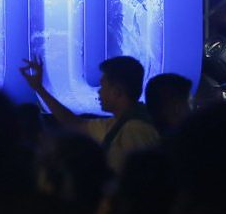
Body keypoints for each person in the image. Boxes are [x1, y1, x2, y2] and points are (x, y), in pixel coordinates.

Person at [20, 56, 159, 173]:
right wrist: (39, 88)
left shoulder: (135, 130)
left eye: (102, 86)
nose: (99, 91)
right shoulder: (116, 123)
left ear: (117, 91)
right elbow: (74, 124)